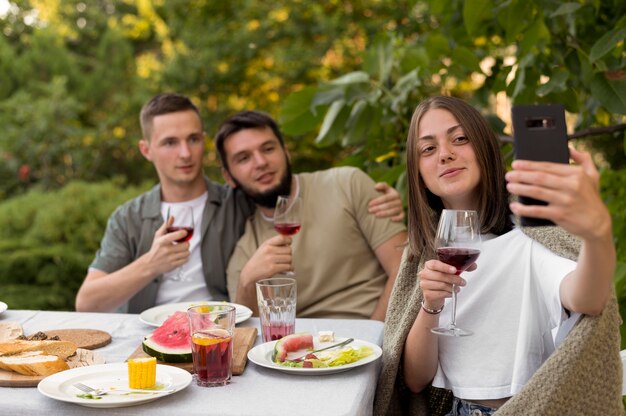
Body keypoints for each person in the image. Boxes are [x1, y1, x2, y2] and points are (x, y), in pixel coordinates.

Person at [373, 96, 620, 415]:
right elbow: (416, 381)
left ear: (485, 148)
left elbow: (588, 298)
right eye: (428, 149)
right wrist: (430, 305)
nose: (445, 154)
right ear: (418, 171)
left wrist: (597, 234)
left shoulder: (530, 236)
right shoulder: (421, 255)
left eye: (459, 139)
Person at [75, 93, 403, 313]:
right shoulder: (129, 218)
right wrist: (151, 263)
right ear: (146, 150)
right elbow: (86, 303)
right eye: (170, 143)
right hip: (149, 342)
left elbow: (281, 193)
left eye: (192, 139)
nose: (186, 153)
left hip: (223, 337)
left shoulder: (237, 201)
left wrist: (394, 202)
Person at [215, 110, 408, 321]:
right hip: (306, 349)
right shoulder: (245, 254)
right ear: (229, 177)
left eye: (268, 149)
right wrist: (247, 282)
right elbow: (245, 333)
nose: (260, 162)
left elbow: (404, 267)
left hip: (379, 331)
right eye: (243, 158)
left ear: (286, 152)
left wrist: (374, 338)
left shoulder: (347, 184)